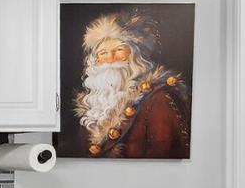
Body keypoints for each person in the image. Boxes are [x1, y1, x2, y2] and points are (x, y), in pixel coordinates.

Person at [73, 11, 191, 158]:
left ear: (135, 56)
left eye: (118, 50)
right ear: (94, 61)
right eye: (103, 53)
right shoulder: (91, 107)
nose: (110, 59)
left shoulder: (159, 99)